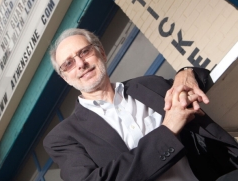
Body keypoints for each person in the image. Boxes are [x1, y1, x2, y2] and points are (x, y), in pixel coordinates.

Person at [43, 28, 238, 181]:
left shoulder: (150, 85)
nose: (80, 64)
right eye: (68, 63)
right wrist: (168, 130)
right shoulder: (63, 137)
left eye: (84, 52)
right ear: (65, 77)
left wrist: (186, 72)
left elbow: (205, 85)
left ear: (101, 52)